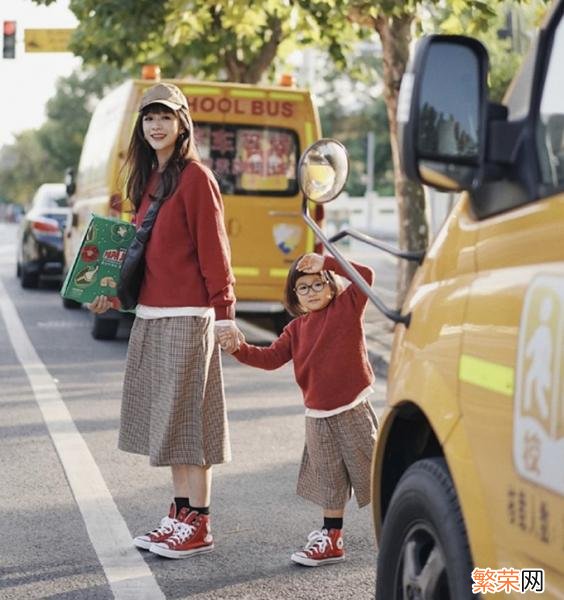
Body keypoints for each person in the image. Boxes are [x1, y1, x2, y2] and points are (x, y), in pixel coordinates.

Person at [89, 82, 240, 559]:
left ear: (182, 125)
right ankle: (179, 514)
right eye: (149, 117)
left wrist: (225, 314)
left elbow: (215, 251)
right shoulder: (149, 180)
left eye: (165, 117)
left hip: (186, 316)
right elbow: (140, 254)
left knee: (189, 425)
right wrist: (108, 295)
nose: (156, 125)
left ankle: (199, 522)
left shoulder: (196, 178)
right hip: (152, 315)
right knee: (170, 423)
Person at [219, 252, 378, 567]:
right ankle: (332, 538)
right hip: (317, 416)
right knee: (329, 480)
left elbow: (366, 275)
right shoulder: (295, 330)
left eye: (319, 284)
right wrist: (236, 347)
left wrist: (327, 262)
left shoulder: (348, 307)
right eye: (303, 288)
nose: (313, 291)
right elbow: (269, 359)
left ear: (331, 287)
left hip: (352, 408)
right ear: (294, 297)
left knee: (375, 471)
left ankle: (407, 522)